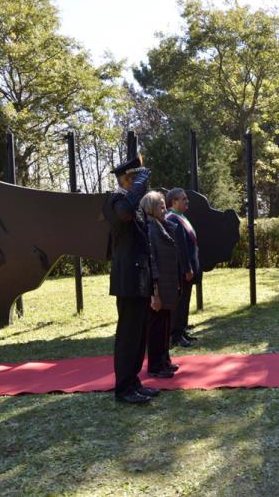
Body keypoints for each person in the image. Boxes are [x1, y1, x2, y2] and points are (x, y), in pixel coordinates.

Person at [104, 154, 160, 405]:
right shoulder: (116, 201)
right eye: (137, 180)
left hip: (140, 279)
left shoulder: (134, 205)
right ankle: (123, 388)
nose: (143, 185)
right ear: (126, 180)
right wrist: (138, 188)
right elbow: (124, 213)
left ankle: (133, 381)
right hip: (128, 280)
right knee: (128, 335)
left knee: (138, 335)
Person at [141, 191, 181, 378]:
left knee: (165, 324)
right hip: (158, 285)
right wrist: (154, 291)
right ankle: (156, 366)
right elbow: (152, 260)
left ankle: (164, 360)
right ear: (151, 208)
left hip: (167, 284)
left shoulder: (161, 225)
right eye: (161, 205)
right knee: (157, 327)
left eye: (165, 205)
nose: (165, 208)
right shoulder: (150, 228)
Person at [166, 188, 199, 348]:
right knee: (179, 302)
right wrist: (187, 269)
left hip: (188, 268)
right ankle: (176, 335)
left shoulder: (181, 217)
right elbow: (180, 248)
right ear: (174, 202)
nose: (187, 201)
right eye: (183, 199)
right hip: (181, 270)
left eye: (187, 198)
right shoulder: (172, 218)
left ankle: (182, 330)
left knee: (185, 300)